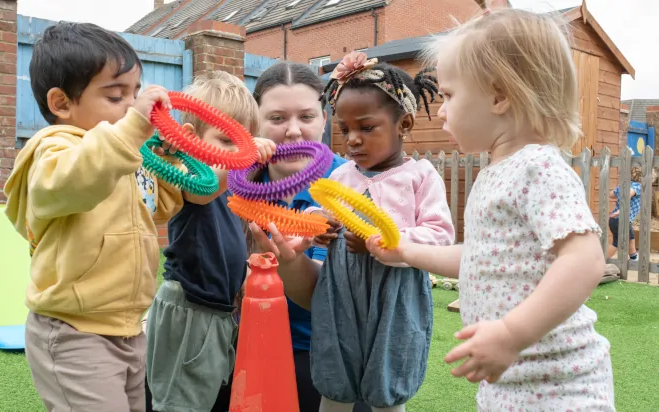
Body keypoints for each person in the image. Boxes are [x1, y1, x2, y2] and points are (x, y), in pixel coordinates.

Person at [367, 8, 614, 411]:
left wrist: (511, 333)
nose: (441, 109)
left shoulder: (537, 166)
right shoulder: (496, 172)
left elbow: (584, 258)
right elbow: (482, 256)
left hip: (560, 387)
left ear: (499, 96)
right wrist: (407, 253)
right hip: (510, 384)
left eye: (448, 95)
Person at [3, 22, 183, 411]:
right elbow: (78, 178)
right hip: (73, 332)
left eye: (135, 94)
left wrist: (166, 158)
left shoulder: (125, 152)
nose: (134, 106)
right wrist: (135, 127)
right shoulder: (52, 150)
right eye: (117, 96)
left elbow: (159, 208)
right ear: (62, 103)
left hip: (128, 327)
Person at [212, 62, 369, 412]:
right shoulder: (230, 184)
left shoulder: (351, 188)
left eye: (307, 117)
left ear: (325, 121)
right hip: (241, 343)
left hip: (323, 349)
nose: (293, 131)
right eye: (278, 118)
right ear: (255, 126)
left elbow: (330, 302)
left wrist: (289, 262)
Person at [309, 53, 454, 412]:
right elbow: (322, 211)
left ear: (403, 124)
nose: (353, 140)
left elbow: (439, 235)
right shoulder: (342, 176)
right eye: (345, 130)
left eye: (366, 127)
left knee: (389, 374)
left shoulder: (420, 177)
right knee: (335, 370)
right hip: (342, 287)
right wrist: (319, 227)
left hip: (396, 290)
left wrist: (386, 240)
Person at [143, 71, 275, 412]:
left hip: (218, 313)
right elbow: (201, 194)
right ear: (190, 138)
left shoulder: (229, 185)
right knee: (180, 403)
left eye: (247, 139)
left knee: (209, 398)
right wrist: (243, 157)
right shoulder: (185, 177)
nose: (239, 150)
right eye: (227, 140)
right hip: (189, 309)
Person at [607, 167, 642, 260]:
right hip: (621, 219)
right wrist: (621, 209)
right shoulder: (637, 186)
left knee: (631, 237)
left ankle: (633, 257)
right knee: (617, 242)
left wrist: (618, 191)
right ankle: (602, 261)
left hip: (615, 220)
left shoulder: (622, 186)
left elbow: (611, 194)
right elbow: (627, 194)